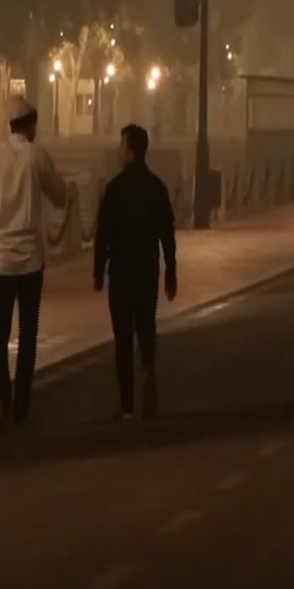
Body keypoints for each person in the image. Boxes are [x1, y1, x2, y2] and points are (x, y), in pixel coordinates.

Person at [0, 95, 70, 431]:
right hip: (30, 261)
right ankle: (22, 404)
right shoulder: (37, 156)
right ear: (30, 126)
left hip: (0, 261)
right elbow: (59, 195)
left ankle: (2, 400)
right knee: (28, 334)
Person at [93, 124, 177, 420]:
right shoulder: (157, 187)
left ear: (129, 149)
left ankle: (127, 405)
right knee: (146, 327)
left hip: (121, 273)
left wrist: (97, 270)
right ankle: (149, 369)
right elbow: (167, 232)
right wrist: (171, 272)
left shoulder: (114, 189)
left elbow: (103, 232)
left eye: (121, 145)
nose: (118, 150)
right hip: (147, 270)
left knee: (123, 338)